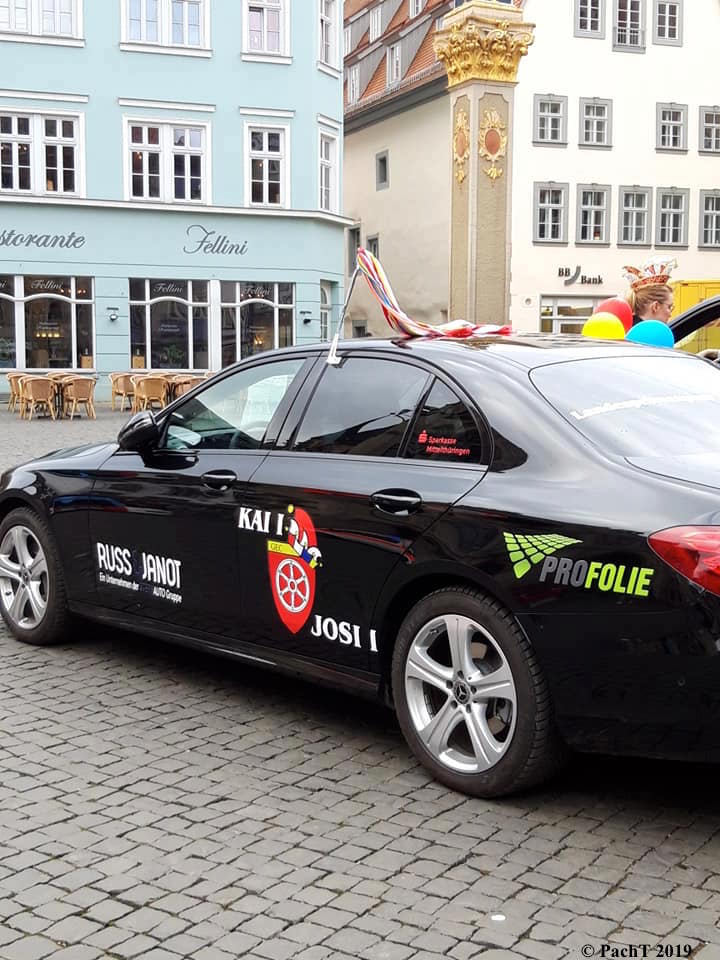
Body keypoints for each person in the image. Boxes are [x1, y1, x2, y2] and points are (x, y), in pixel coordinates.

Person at [623, 257, 677, 327]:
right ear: (655, 306)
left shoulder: (627, 327)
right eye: (669, 307)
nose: (670, 315)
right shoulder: (655, 332)